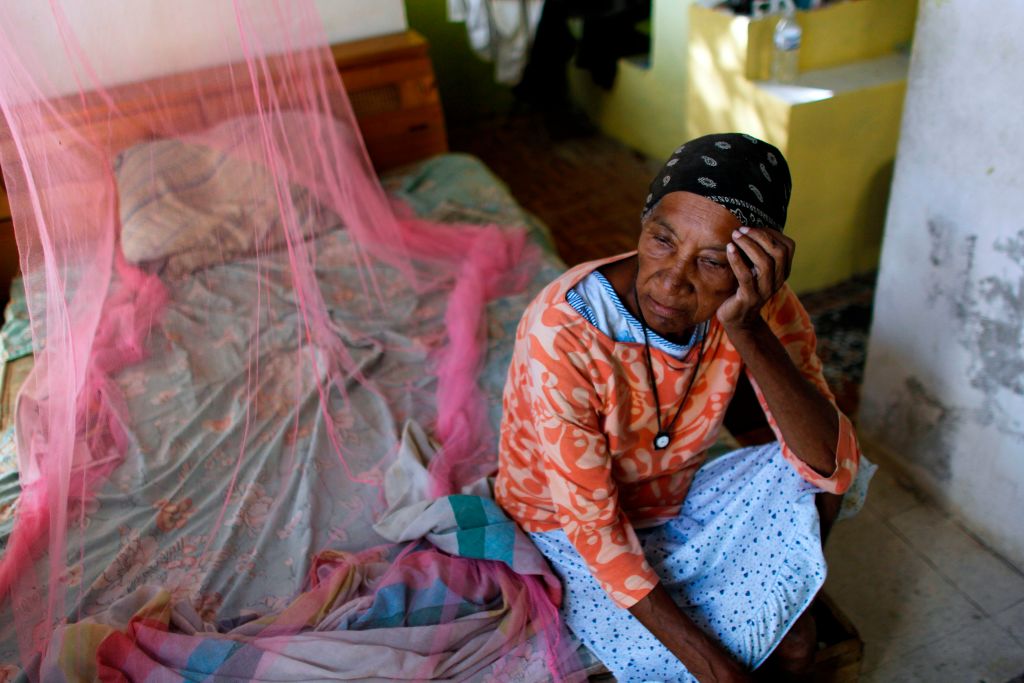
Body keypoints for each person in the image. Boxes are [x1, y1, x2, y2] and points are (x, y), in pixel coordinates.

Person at [495, 133, 861, 682]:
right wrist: (716, 669)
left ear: (753, 265)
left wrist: (744, 324)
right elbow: (593, 526)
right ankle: (781, 596)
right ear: (643, 224)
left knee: (824, 471)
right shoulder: (561, 333)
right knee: (693, 668)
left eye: (712, 262)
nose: (670, 279)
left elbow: (832, 464)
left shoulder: (755, 303)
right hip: (568, 527)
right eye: (661, 240)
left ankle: (792, 595)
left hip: (673, 497)